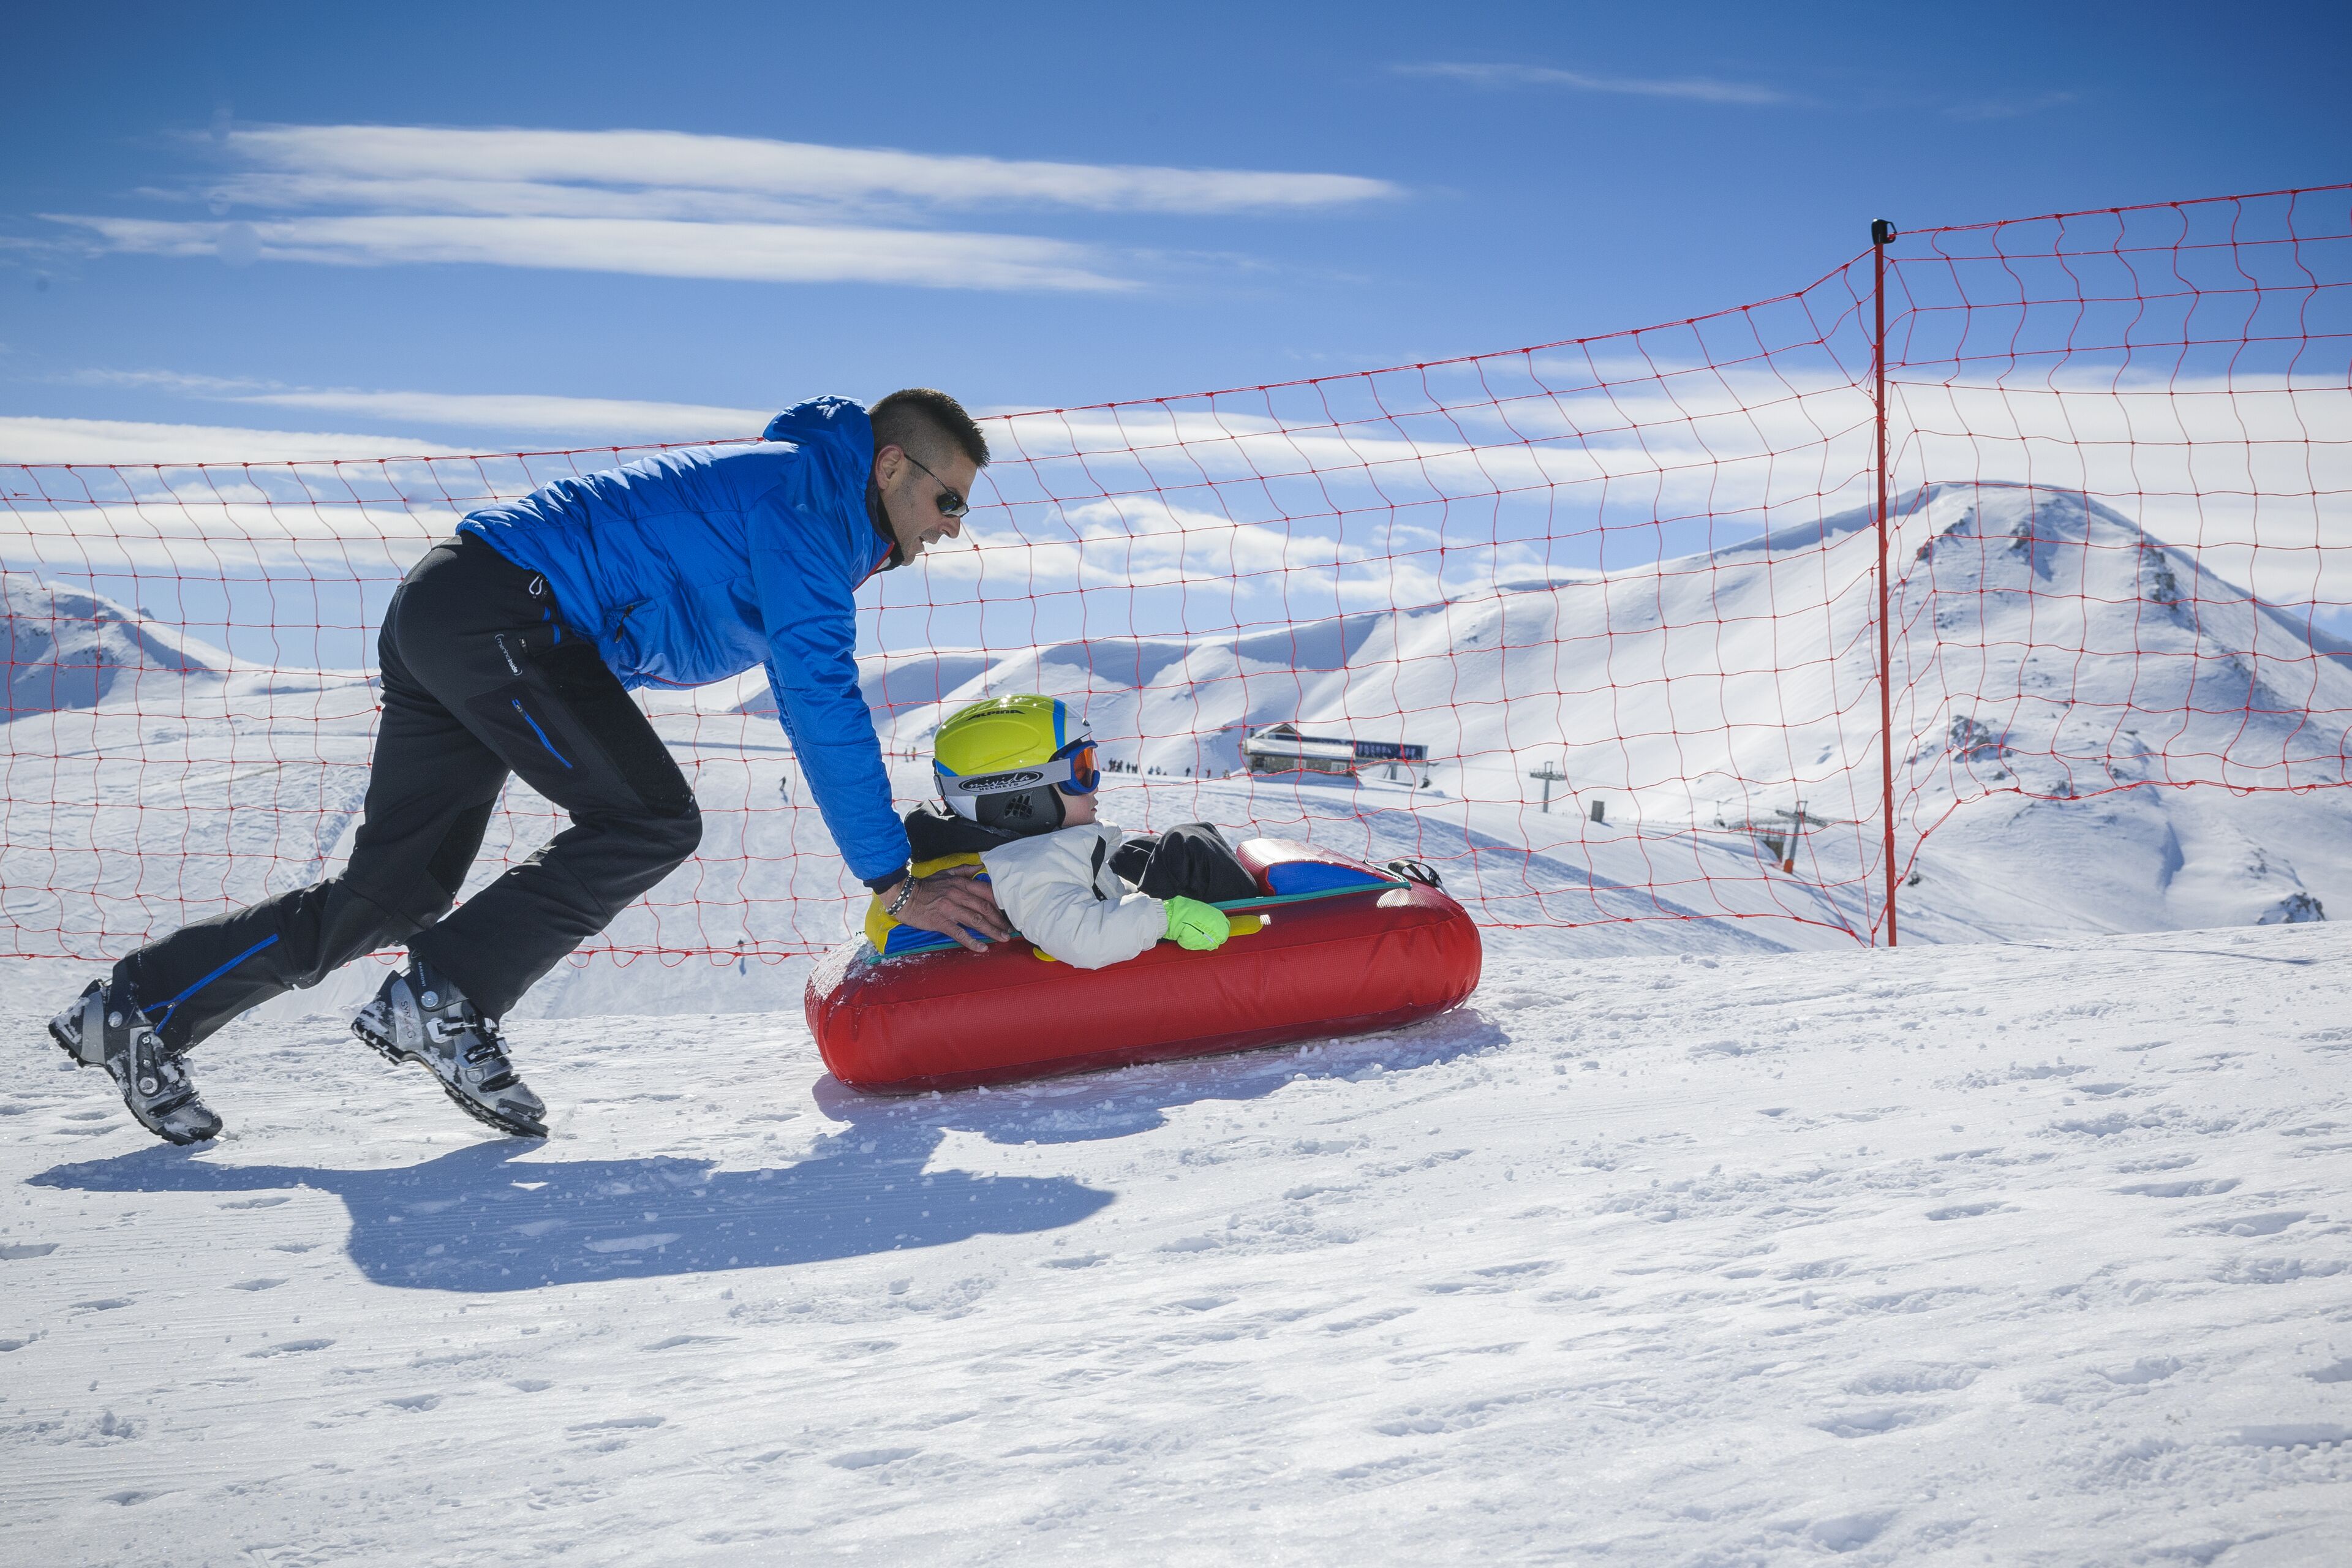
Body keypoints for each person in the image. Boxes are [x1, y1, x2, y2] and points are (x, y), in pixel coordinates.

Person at [47, 390, 1011, 1144]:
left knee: (392, 893)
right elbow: (819, 698)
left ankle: (137, 1010)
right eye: (947, 498)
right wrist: (892, 876)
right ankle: (445, 998)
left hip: (455, 602)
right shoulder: (809, 510)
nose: (952, 524)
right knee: (651, 819)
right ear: (892, 466)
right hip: (511, 613)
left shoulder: (802, 495)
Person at [862, 694, 1260, 968]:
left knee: (1135, 852)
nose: (1097, 781)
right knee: (1189, 846)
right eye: (1083, 771)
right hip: (1122, 937)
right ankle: (1272, 927)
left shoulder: (1000, 854)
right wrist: (1167, 918)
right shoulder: (1029, 863)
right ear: (1021, 795)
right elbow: (1080, 936)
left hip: (1086, 896)